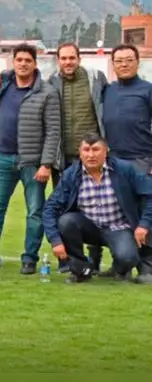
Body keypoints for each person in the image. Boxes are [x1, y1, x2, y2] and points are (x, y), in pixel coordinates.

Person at [0, 43, 60, 274]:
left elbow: (53, 131)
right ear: (13, 62)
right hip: (3, 157)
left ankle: (30, 258)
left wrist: (46, 164)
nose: (23, 64)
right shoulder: (5, 84)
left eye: (28, 60)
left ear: (35, 64)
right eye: (19, 60)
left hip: (32, 163)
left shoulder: (47, 92)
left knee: (35, 211)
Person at [43, 134, 152, 283]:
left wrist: (143, 225)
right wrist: (55, 240)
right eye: (86, 150)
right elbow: (50, 207)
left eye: (96, 149)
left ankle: (120, 268)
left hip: (119, 227)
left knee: (128, 258)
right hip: (89, 227)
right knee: (66, 221)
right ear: (80, 153)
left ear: (106, 151)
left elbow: (149, 194)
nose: (91, 155)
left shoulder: (125, 169)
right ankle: (81, 269)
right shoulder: (71, 175)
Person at [48, 42, 107, 271]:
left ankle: (95, 258)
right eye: (63, 58)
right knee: (66, 209)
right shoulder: (51, 81)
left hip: (92, 156)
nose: (68, 62)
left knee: (97, 207)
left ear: (79, 58)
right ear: (58, 60)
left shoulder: (95, 77)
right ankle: (70, 261)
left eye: (72, 58)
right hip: (64, 157)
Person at [103, 44, 152, 173]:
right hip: (112, 160)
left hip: (142, 160)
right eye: (119, 61)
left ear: (138, 62)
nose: (124, 65)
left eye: (129, 60)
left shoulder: (148, 90)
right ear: (113, 65)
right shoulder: (108, 90)